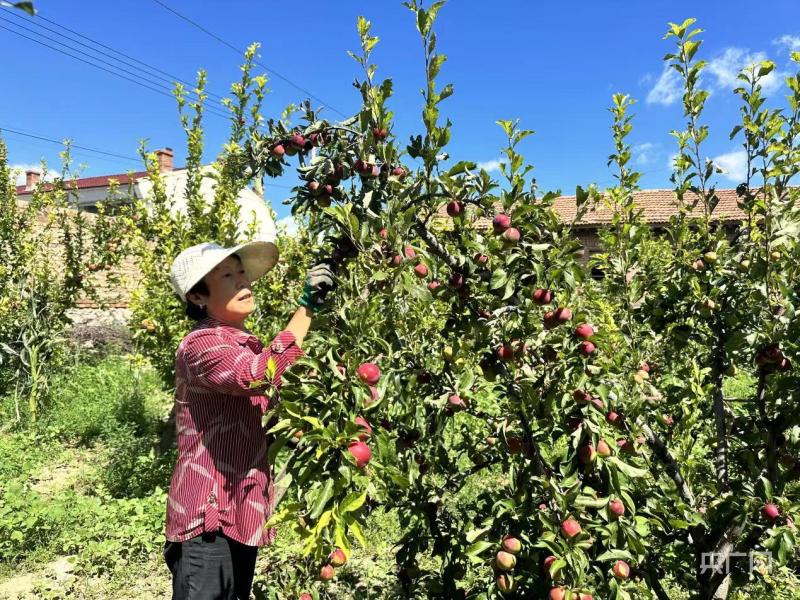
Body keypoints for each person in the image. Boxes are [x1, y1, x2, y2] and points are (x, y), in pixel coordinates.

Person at [163, 239, 335, 600]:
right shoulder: (201, 344)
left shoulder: (245, 341)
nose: (243, 282)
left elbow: (265, 404)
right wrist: (305, 308)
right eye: (228, 276)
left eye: (242, 273)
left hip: (243, 506)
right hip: (208, 513)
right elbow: (258, 375)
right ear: (198, 297)